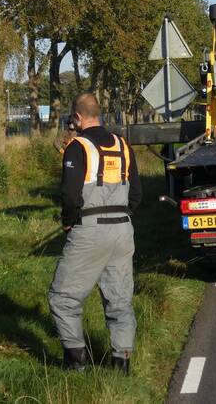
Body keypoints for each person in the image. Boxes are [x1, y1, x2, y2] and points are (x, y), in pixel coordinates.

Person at [48, 92, 142, 374]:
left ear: (77, 117)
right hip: (123, 231)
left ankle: (76, 363)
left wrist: (68, 221)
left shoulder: (77, 147)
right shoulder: (123, 145)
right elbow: (137, 194)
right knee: (119, 299)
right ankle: (121, 363)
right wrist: (122, 217)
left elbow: (69, 194)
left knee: (62, 298)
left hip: (89, 229)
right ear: (98, 113)